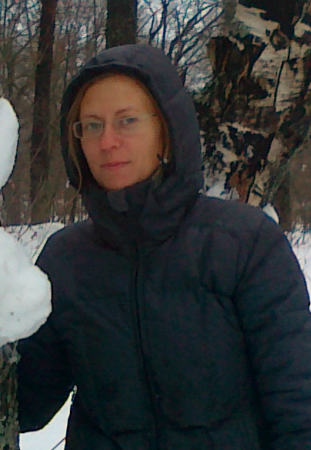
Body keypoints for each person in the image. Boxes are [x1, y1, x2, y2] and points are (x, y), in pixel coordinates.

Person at [16, 44, 311, 449]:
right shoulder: (65, 259)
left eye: (127, 121)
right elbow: (24, 404)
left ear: (168, 129)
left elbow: (297, 402)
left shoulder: (243, 242)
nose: (107, 141)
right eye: (92, 126)